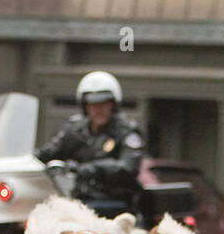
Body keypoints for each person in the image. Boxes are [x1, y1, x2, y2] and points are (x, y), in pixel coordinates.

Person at [34, 71, 144, 212]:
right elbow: (48, 152)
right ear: (84, 106)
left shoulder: (127, 131)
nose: (98, 109)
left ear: (113, 104)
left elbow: (128, 167)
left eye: (104, 103)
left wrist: (90, 169)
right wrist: (26, 159)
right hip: (80, 201)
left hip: (116, 205)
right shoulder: (75, 130)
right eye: (92, 104)